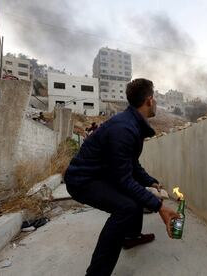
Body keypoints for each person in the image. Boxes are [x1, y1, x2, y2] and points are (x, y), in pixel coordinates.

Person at [64, 78, 179, 275]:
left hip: (99, 175)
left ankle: (131, 237)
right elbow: (123, 179)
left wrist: (150, 181)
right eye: (156, 98)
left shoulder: (131, 124)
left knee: (135, 196)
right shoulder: (124, 129)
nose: (156, 103)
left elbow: (131, 164)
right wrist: (159, 206)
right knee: (126, 207)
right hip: (82, 180)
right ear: (150, 100)